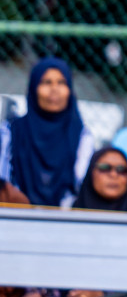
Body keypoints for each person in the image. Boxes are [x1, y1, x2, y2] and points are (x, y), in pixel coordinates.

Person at [5, 147, 127, 297]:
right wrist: (37, 293)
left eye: (121, 170)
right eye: (105, 168)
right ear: (91, 173)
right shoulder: (71, 217)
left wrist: (101, 295)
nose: (113, 175)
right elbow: (50, 263)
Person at [6, 57, 94, 207]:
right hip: (17, 214)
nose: (55, 89)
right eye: (46, 82)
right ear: (34, 88)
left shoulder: (82, 136)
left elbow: (83, 187)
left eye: (61, 83)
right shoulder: (11, 132)